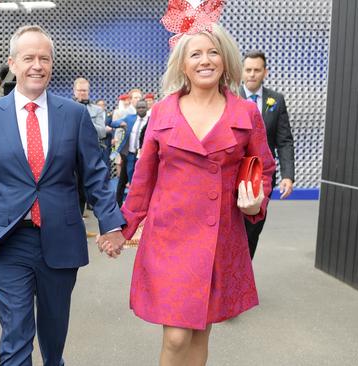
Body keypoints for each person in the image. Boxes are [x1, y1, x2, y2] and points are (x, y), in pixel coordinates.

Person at [99, 21, 275, 365]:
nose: (205, 60)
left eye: (213, 52)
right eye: (195, 54)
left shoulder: (246, 112)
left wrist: (257, 201)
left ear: (224, 60)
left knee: (200, 331)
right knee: (177, 336)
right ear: (183, 63)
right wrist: (124, 228)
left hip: (219, 236)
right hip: (170, 237)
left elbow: (263, 168)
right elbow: (143, 178)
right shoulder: (164, 111)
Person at [0, 25, 125, 366]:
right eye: (28, 58)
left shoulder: (74, 114)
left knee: (53, 334)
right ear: (12, 64)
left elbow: (95, 175)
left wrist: (111, 223)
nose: (37, 65)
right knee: (16, 332)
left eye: (44, 58)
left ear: (52, 64)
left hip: (60, 238)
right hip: (7, 241)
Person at [239, 50, 295, 258]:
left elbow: (284, 140)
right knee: (232, 228)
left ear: (265, 72)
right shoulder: (230, 97)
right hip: (232, 174)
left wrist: (288, 175)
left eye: (257, 70)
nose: (252, 74)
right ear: (242, 72)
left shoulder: (276, 100)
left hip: (262, 177)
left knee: (254, 227)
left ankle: (243, 275)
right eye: (248, 70)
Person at [73, 77, 107, 236]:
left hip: (91, 154)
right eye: (80, 90)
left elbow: (102, 131)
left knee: (89, 187)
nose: (82, 93)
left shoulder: (97, 110)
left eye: (85, 90)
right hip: (71, 155)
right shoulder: (68, 108)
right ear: (74, 91)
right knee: (73, 188)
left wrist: (82, 122)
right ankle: (76, 222)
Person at [112, 99, 149, 206]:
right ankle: (117, 204)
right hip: (129, 154)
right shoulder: (130, 118)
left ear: (147, 108)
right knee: (122, 181)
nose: (141, 109)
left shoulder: (151, 121)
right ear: (135, 109)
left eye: (143, 107)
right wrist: (119, 123)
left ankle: (136, 205)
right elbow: (115, 123)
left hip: (142, 157)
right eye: (139, 107)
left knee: (137, 181)